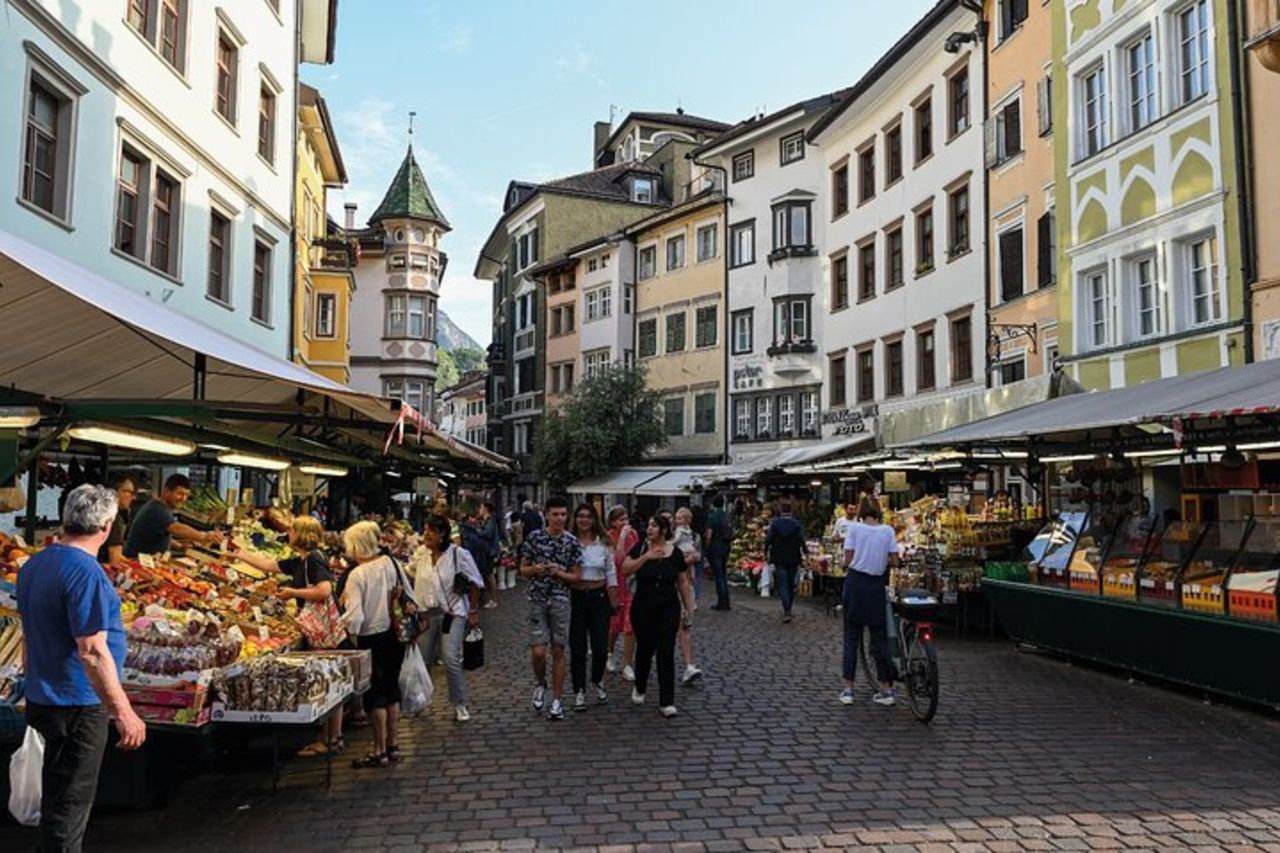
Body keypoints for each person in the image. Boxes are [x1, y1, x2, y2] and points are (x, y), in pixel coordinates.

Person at [18, 485, 146, 852]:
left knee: (57, 798)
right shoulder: (86, 573)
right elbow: (91, 651)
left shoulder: (35, 565)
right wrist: (123, 712)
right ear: (106, 526)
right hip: (76, 703)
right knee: (69, 806)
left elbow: (28, 635)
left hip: (44, 697)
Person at [234, 516, 344, 756]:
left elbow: (324, 590)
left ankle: (331, 738)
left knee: (330, 679)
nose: (289, 533)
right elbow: (268, 565)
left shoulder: (314, 559)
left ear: (302, 534)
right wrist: (238, 553)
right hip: (317, 627)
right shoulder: (301, 560)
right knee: (330, 678)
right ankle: (332, 737)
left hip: (323, 628)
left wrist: (292, 592)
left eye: (292, 530)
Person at [339, 520, 407, 768]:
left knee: (375, 694)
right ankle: (393, 744)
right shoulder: (391, 562)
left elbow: (355, 618)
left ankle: (379, 750)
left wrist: (343, 621)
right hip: (395, 634)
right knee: (391, 689)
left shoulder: (357, 575)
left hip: (371, 637)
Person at [621, 514, 695, 718]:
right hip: (643, 605)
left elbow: (682, 581)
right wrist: (646, 558)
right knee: (645, 648)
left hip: (668, 607)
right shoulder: (641, 548)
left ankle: (667, 700)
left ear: (664, 530)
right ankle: (640, 686)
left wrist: (688, 608)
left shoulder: (675, 553)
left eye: (654, 525)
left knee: (666, 650)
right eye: (649, 525)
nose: (649, 529)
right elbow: (625, 568)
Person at [412, 514, 484, 723]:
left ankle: (460, 703)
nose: (426, 535)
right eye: (425, 530)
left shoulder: (458, 554)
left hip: (451, 613)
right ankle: (419, 700)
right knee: (423, 659)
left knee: (450, 658)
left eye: (431, 531)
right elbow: (410, 573)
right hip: (426, 614)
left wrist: (473, 610)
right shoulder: (421, 554)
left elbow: (475, 582)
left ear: (442, 534)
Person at [519, 496, 582, 720]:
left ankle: (556, 700)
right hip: (537, 598)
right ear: (546, 515)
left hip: (560, 599)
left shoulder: (572, 542)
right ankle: (540, 683)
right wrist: (536, 569)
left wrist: (560, 573)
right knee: (538, 651)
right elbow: (522, 569)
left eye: (563, 514)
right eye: (555, 514)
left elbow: (576, 576)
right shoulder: (535, 538)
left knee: (558, 650)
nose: (560, 518)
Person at [840, 500, 901, 707]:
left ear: (861, 512)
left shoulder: (855, 529)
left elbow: (848, 558)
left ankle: (848, 689)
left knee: (851, 636)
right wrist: (881, 559)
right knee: (879, 639)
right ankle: (886, 689)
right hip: (876, 585)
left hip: (856, 583)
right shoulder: (888, 531)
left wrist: (845, 564)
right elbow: (895, 561)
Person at [569, 503, 616, 711]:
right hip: (576, 596)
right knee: (578, 647)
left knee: (600, 646)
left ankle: (597, 679)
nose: (585, 520)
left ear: (595, 519)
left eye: (589, 516)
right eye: (581, 516)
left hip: (599, 597)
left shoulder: (603, 543)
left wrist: (613, 596)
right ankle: (579, 689)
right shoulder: (569, 542)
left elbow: (611, 571)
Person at [123, 473, 222, 558]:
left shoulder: (160, 507)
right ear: (166, 491)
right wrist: (204, 536)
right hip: (136, 562)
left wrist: (179, 545)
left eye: (186, 495)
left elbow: (160, 535)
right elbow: (177, 528)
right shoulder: (157, 509)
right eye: (180, 494)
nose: (183, 499)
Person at [606, 506, 640, 681]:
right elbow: (617, 560)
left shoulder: (634, 535)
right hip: (615, 584)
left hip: (630, 584)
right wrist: (621, 538)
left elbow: (636, 557)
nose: (625, 522)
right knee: (614, 625)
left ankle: (627, 664)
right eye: (621, 520)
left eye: (626, 518)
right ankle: (609, 653)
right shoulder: (608, 537)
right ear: (613, 522)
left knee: (630, 624)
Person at [670, 508, 704, 685]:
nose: (675, 521)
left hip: (686, 586)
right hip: (669, 589)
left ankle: (688, 666)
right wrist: (688, 559)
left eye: (678, 518)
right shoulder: (669, 541)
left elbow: (696, 555)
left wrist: (694, 557)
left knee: (685, 626)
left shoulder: (693, 536)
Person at [765, 500, 806, 623]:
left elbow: (768, 539)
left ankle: (786, 610)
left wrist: (766, 550)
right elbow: (801, 539)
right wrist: (805, 551)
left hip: (779, 557)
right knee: (791, 584)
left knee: (783, 584)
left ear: (781, 510)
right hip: (793, 556)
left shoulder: (775, 524)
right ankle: (789, 608)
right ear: (791, 511)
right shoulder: (796, 524)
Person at [98, 475, 137, 566]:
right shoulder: (113, 517)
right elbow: (115, 560)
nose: (133, 497)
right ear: (116, 493)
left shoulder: (97, 512)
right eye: (130, 492)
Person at [705, 496, 733, 611]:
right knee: (723, 574)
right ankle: (726, 601)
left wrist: (707, 547)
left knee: (718, 575)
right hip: (725, 547)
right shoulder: (726, 516)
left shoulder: (712, 517)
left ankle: (721, 602)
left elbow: (709, 535)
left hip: (715, 548)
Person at [476, 501, 502, 607]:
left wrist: (476, 531)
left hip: (489, 552)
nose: (479, 510)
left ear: (486, 509)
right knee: (487, 575)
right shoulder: (486, 520)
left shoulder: (490, 521)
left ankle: (493, 600)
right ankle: (489, 599)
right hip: (487, 551)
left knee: (490, 575)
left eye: (481, 508)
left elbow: (487, 533)